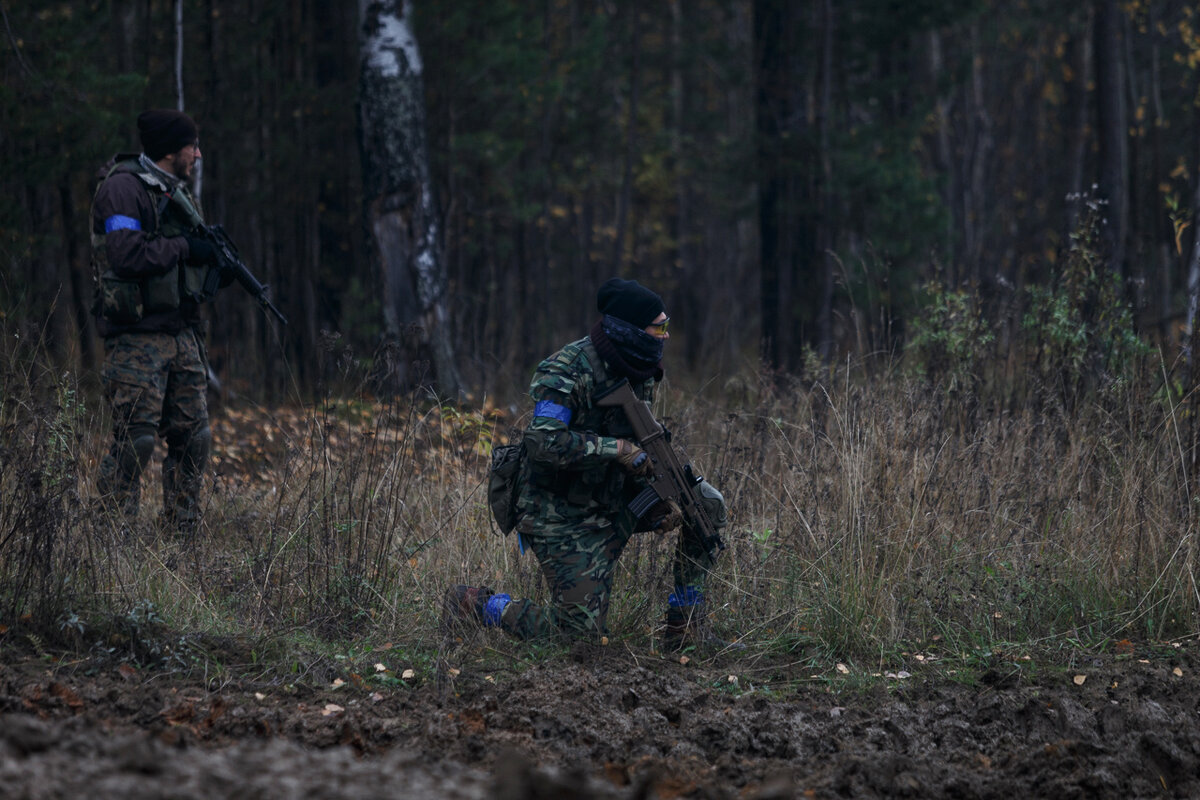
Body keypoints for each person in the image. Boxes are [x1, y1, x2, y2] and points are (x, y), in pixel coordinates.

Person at [447, 278, 734, 650]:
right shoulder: (566, 369)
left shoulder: (639, 366)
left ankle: (685, 630)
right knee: (577, 636)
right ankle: (476, 604)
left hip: (612, 499)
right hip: (560, 511)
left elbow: (638, 447)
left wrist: (657, 501)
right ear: (630, 330)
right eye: (658, 327)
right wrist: (616, 450)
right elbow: (542, 442)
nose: (665, 336)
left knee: (706, 507)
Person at [90, 109, 226, 537]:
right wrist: (185, 247)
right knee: (136, 441)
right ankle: (110, 542)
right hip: (136, 337)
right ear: (171, 150)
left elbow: (185, 266)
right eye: (192, 147)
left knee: (194, 438)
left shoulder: (178, 193)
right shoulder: (121, 189)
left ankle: (182, 537)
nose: (198, 155)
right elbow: (125, 255)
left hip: (181, 334)